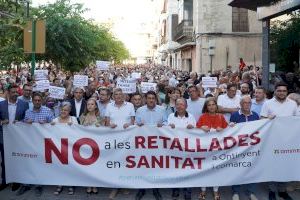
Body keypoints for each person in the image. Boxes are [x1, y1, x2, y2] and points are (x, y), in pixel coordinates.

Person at [260, 82, 297, 200]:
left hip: (288, 140)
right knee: (273, 165)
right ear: (275, 91)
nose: (281, 93)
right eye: (279, 90)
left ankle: (282, 190)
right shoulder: (267, 103)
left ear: (287, 92)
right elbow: (261, 119)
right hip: (272, 140)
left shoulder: (293, 104)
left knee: (286, 165)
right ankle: (272, 190)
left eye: (284, 91)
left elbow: (297, 120)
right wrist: (268, 119)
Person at [135, 91, 165, 200]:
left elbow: (167, 123)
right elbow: (135, 126)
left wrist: (163, 125)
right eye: (149, 98)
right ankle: (141, 189)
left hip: (158, 143)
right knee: (143, 165)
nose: (151, 100)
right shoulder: (140, 110)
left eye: (153, 98)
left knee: (155, 165)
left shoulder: (162, 110)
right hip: (143, 144)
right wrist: (137, 125)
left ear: (156, 100)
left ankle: (155, 188)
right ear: (145, 99)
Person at [23, 92, 54, 196]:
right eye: (35, 100)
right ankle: (27, 184)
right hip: (30, 142)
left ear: (42, 101)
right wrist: (25, 123)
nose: (37, 102)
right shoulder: (28, 112)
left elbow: (55, 126)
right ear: (32, 101)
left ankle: (38, 185)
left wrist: (47, 123)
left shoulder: (48, 111)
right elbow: (21, 126)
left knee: (41, 163)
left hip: (43, 143)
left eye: (39, 100)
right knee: (30, 162)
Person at [196, 97, 227, 200]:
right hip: (204, 149)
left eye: (213, 104)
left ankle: (216, 191)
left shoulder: (221, 117)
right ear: (206, 107)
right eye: (209, 105)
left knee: (216, 170)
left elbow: (228, 132)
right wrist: (200, 128)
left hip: (217, 149)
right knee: (204, 170)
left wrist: (222, 129)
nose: (211, 107)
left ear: (216, 106)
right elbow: (194, 132)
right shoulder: (202, 117)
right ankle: (203, 190)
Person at [0, 84, 29, 192]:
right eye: (13, 92)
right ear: (8, 92)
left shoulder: (24, 104)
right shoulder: (1, 105)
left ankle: (16, 181)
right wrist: (2, 122)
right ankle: (4, 181)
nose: (15, 94)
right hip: (4, 137)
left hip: (18, 137)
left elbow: (26, 119)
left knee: (17, 159)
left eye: (17, 92)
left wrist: (21, 122)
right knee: (4, 160)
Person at [230, 96, 259, 200]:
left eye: (249, 103)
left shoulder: (255, 115)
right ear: (241, 104)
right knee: (237, 168)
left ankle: (251, 191)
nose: (247, 105)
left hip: (252, 148)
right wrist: (231, 125)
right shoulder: (234, 115)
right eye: (245, 103)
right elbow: (231, 132)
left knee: (252, 169)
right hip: (238, 148)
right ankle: (235, 191)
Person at [167, 98, 196, 200]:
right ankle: (175, 189)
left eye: (182, 104)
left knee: (187, 170)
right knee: (175, 170)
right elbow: (166, 132)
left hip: (187, 148)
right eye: (177, 104)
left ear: (186, 106)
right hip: (175, 148)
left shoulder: (191, 117)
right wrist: (169, 127)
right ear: (175, 106)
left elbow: (196, 133)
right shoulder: (170, 116)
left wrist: (192, 128)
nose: (179, 106)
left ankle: (187, 190)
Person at [51, 101, 78, 195]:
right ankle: (60, 184)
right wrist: (50, 127)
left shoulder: (73, 119)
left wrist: (74, 127)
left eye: (66, 110)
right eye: (62, 109)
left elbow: (79, 133)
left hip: (70, 147)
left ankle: (70, 184)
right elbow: (49, 134)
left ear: (69, 111)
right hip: (58, 148)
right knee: (59, 167)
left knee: (70, 167)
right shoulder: (54, 121)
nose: (63, 111)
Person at [80, 98, 104, 194]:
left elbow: (104, 132)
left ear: (95, 106)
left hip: (96, 145)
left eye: (92, 104)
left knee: (95, 166)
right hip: (85, 145)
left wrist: (100, 127)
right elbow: (77, 130)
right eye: (88, 104)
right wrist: (83, 126)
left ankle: (95, 184)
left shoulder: (100, 118)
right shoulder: (82, 116)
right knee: (87, 165)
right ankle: (88, 184)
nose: (90, 106)